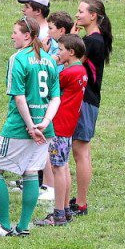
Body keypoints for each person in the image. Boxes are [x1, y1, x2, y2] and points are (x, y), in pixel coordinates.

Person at [0, 16, 60, 237]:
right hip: (45, 129)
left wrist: (30, 126)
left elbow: (19, 97)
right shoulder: (49, 59)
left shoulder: (18, 58)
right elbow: (56, 98)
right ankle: (23, 227)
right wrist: (44, 123)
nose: (12, 35)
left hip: (19, 127)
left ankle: (4, 226)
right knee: (31, 171)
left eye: (15, 32)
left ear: (27, 35)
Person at [35, 34, 87, 226]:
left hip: (58, 125)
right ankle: (64, 210)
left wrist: (48, 57)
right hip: (68, 125)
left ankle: (57, 214)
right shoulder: (80, 70)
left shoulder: (67, 73)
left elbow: (47, 83)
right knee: (63, 166)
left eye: (61, 50)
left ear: (71, 52)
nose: (59, 53)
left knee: (58, 168)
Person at [70, 0, 113, 216]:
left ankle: (82, 203)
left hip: (85, 100)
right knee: (81, 151)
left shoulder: (92, 41)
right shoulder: (93, 39)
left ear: (93, 15)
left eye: (80, 11)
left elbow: (70, 60)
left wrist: (71, 38)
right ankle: (79, 199)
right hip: (87, 100)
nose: (77, 15)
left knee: (81, 151)